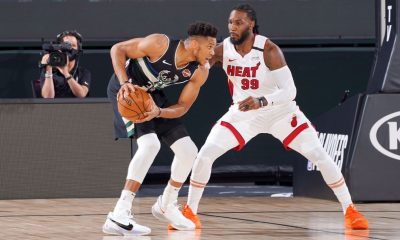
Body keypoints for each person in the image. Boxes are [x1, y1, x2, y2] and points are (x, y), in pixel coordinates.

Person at [178, 4, 369, 231]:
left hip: (281, 111)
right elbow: (200, 68)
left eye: (238, 23)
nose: (232, 27)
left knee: (319, 154)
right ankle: (190, 212)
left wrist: (261, 101)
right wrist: (195, 65)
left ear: (251, 24)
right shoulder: (221, 50)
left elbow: (290, 91)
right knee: (205, 154)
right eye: (230, 22)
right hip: (244, 113)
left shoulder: (269, 50)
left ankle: (350, 210)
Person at [103, 22, 218, 236]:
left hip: (151, 98)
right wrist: (125, 82)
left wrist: (159, 112)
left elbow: (182, 106)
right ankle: (120, 212)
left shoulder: (200, 71)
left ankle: (167, 203)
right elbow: (117, 49)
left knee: (189, 151)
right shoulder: (160, 44)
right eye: (210, 46)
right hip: (127, 91)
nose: (213, 52)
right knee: (150, 145)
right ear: (194, 44)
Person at [39, 30, 91, 98]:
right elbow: (48, 97)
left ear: (78, 50)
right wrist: (48, 67)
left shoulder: (83, 72)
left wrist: (66, 74)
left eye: (73, 45)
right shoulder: (50, 70)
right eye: (65, 45)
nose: (69, 49)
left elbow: (82, 94)